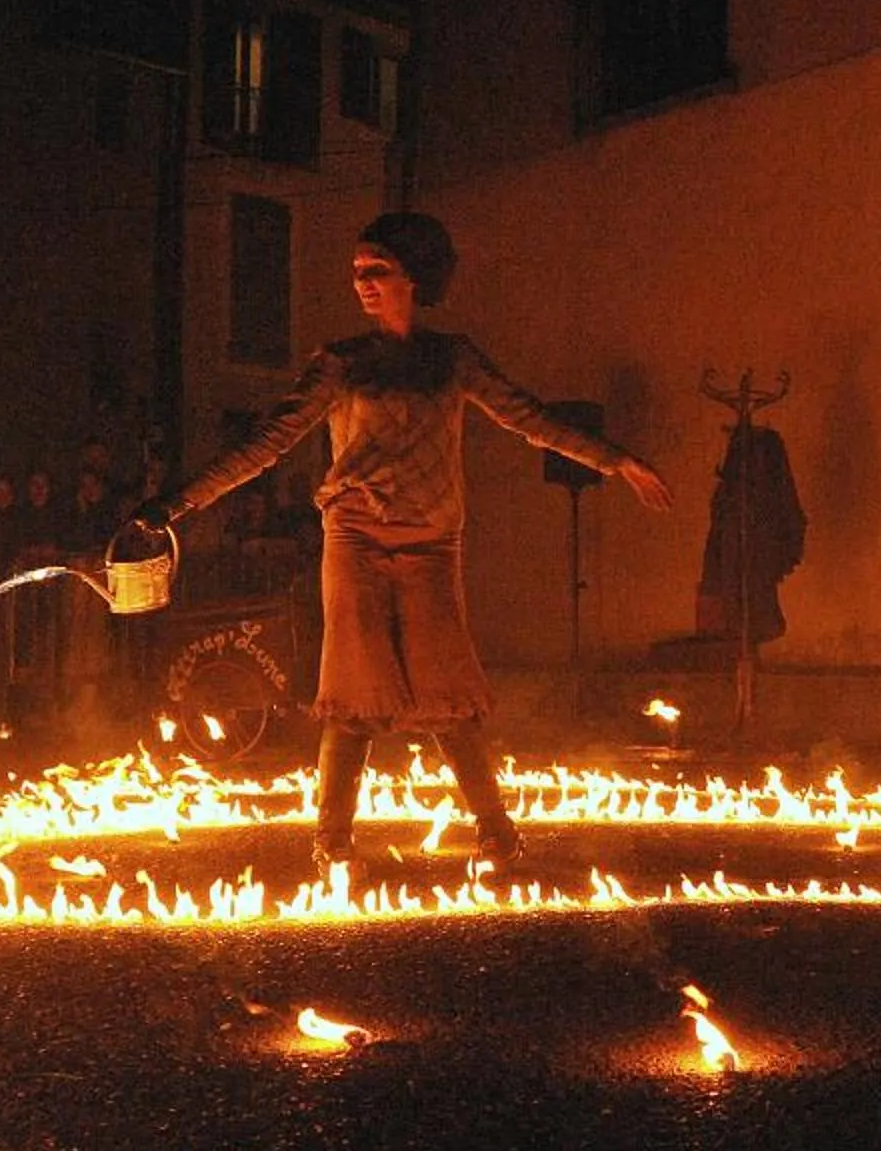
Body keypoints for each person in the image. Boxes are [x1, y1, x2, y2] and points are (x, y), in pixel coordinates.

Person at [126, 212, 672, 875]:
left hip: (432, 543)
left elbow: (529, 417)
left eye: (377, 271)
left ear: (415, 277)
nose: (363, 283)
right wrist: (175, 505)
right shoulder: (343, 363)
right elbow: (268, 441)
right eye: (358, 273)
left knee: (447, 695)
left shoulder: (452, 359)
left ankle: (496, 833)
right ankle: (331, 843)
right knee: (355, 694)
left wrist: (614, 460)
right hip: (355, 535)